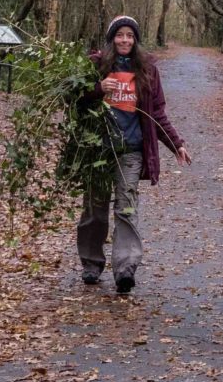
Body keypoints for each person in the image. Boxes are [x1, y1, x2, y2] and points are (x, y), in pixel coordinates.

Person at [77, 15, 189, 293]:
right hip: (98, 149)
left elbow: (157, 112)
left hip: (131, 150)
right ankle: (91, 264)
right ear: (111, 38)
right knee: (95, 211)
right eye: (120, 35)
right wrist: (97, 89)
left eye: (130, 35)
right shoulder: (96, 65)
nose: (125, 40)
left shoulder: (147, 70)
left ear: (136, 39)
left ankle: (125, 269)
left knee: (126, 209)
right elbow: (74, 101)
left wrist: (176, 143)